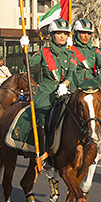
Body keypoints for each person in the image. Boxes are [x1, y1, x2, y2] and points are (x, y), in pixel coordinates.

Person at [24, 18, 77, 155]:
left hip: (65, 92)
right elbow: (28, 64)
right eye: (59, 33)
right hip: (47, 93)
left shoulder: (71, 54)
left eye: (65, 34)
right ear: (52, 35)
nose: (62, 36)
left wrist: (65, 85)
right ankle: (42, 152)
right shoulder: (44, 52)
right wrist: (24, 48)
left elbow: (71, 74)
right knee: (42, 117)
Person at [71, 18, 101, 84]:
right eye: (83, 32)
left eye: (89, 33)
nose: (86, 36)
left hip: (92, 82)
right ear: (77, 33)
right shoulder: (71, 50)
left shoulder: (94, 51)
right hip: (76, 84)